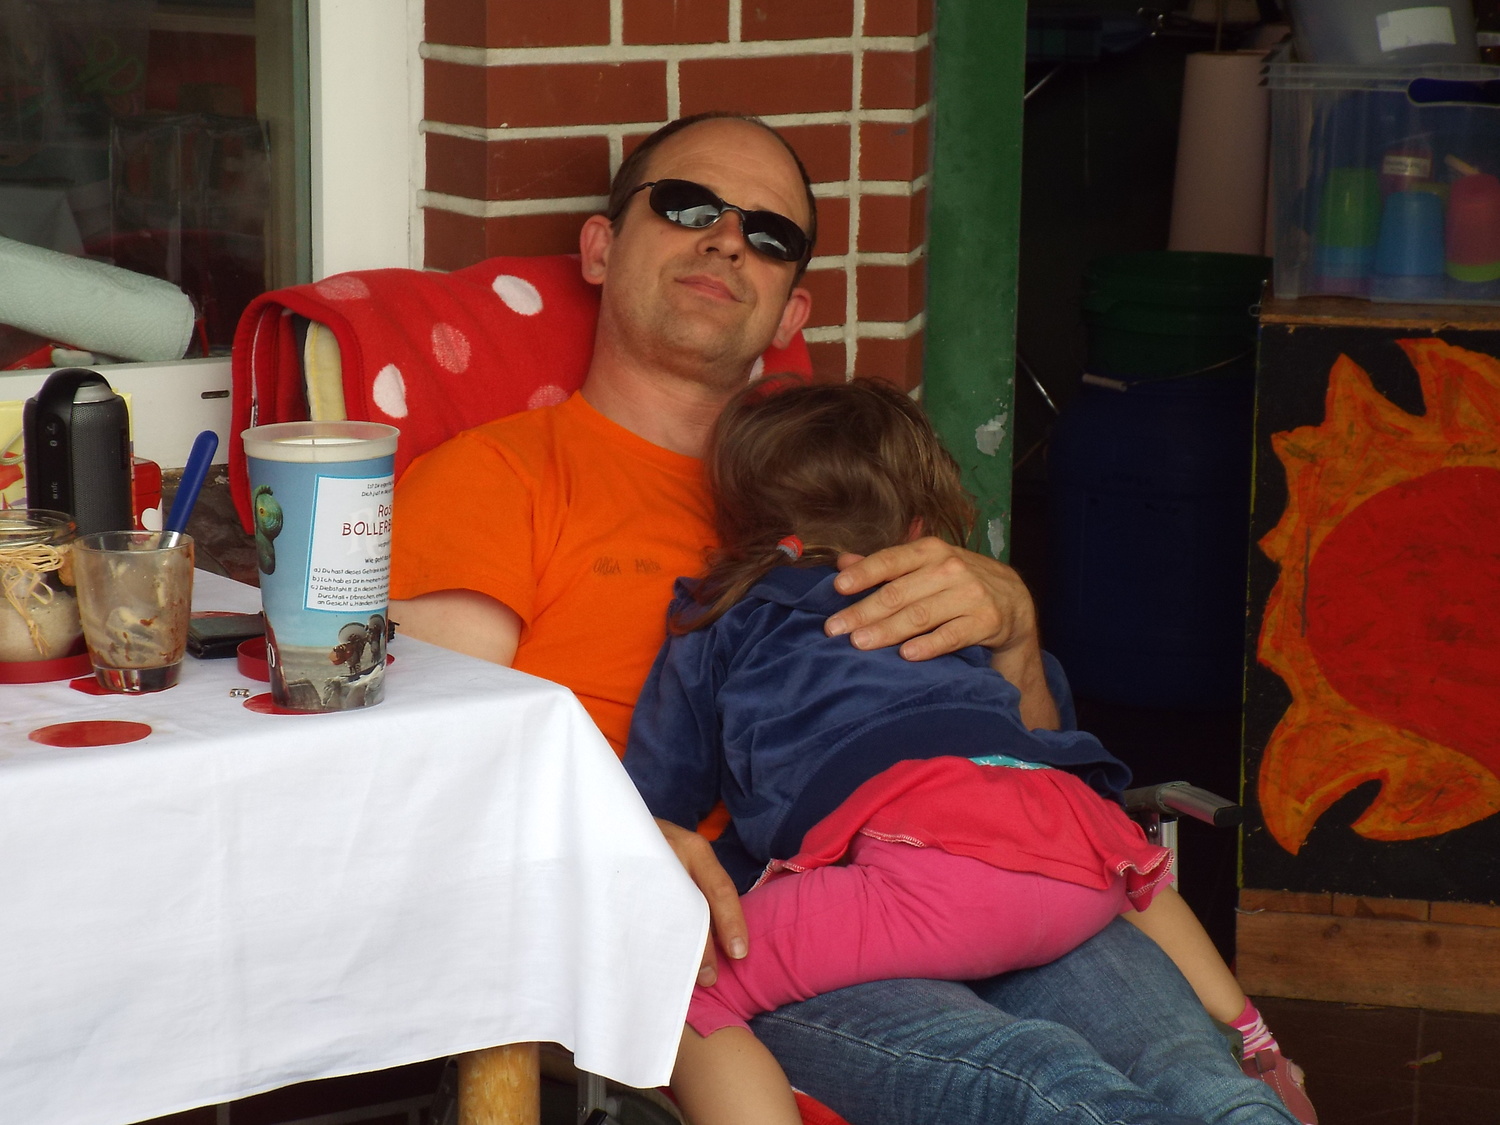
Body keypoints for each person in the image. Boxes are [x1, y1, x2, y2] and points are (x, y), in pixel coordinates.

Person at [389, 110, 1304, 1125]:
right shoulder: (496, 477)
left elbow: (1029, 754)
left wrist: (1016, 636)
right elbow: (435, 764)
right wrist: (621, 842)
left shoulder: (850, 492)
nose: (726, 240)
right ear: (600, 248)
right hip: (759, 915)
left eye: (768, 234)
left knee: (1208, 1089)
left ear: (791, 311)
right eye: (687, 206)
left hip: (1000, 864)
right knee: (1046, 1088)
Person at [622, 377, 1315, 1125]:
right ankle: (1256, 1054)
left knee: (681, 986)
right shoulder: (952, 605)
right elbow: (1047, 743)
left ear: (740, 525)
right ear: (918, 525)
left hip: (914, 872)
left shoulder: (727, 612)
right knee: (1180, 1010)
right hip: (1068, 850)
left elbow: (659, 796)